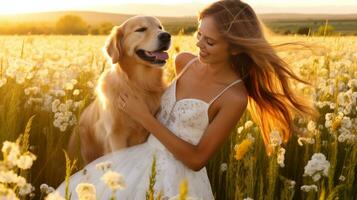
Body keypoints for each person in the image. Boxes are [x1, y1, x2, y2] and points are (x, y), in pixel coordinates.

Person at [56, 0, 316, 199]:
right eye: (199, 35)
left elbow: (196, 159)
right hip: (138, 160)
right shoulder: (184, 62)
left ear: (235, 47)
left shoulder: (234, 97)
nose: (200, 45)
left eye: (210, 42)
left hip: (179, 180)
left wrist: (144, 118)